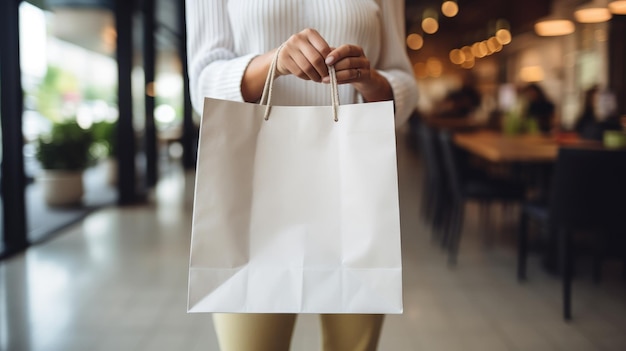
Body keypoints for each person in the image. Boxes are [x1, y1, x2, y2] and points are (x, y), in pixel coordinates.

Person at [185, 1, 418, 351]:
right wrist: (272, 62)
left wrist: (368, 80)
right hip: (254, 192)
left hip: (353, 190)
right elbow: (202, 84)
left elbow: (404, 81)